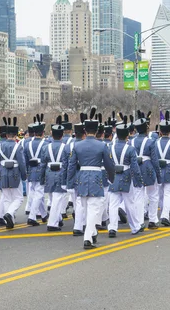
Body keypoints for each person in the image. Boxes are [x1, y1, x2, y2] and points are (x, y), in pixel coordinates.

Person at [66, 107, 115, 249]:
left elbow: (71, 166)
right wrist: (111, 178)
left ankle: (92, 233)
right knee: (94, 208)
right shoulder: (102, 145)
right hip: (96, 177)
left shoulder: (77, 145)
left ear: (85, 131)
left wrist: (69, 184)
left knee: (87, 208)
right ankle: (88, 238)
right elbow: (109, 164)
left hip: (82, 177)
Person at [0, 117, 26, 230]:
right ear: (16, 135)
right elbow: (22, 163)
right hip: (15, 173)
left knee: (6, 198)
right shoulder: (18, 146)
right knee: (19, 198)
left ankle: (9, 220)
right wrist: (24, 175)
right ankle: (10, 214)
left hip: (3, 173)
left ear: (6, 135)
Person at [131, 111, 161, 229]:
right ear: (146, 128)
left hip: (135, 168)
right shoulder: (151, 141)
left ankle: (139, 222)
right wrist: (158, 176)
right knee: (153, 195)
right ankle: (153, 220)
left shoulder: (131, 141)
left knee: (138, 196)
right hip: (148, 169)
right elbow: (155, 160)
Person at [25, 114, 50, 226]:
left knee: (35, 191)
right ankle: (32, 216)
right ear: (43, 132)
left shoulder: (27, 144)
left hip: (31, 169)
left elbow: (25, 159)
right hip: (41, 169)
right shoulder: (46, 144)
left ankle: (44, 215)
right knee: (39, 193)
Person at [44, 116, 68, 231]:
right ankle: (52, 223)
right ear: (62, 135)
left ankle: (58, 219)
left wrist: (42, 178)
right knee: (58, 199)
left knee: (53, 198)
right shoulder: (66, 147)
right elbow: (67, 164)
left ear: (52, 135)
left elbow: (43, 164)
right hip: (60, 173)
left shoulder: (46, 147)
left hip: (49, 173)